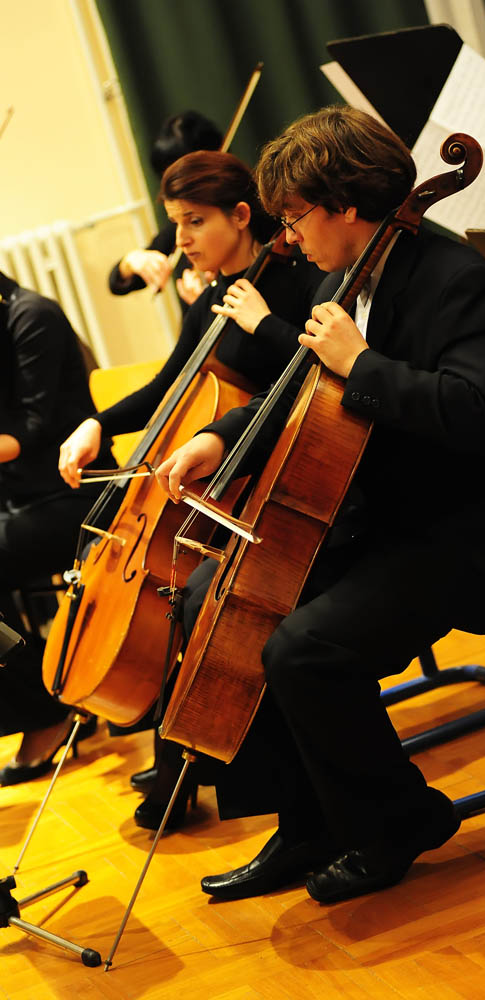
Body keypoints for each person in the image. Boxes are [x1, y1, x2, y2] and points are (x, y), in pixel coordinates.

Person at [153, 105, 485, 905]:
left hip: (464, 528)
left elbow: (481, 412)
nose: (287, 236)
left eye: (294, 216)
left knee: (303, 649)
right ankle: (310, 821)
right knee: (216, 600)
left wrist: (363, 364)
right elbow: (302, 398)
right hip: (383, 517)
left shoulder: (456, 279)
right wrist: (224, 435)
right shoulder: (341, 279)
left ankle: (399, 819)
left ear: (347, 206)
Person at [59, 148, 323, 827]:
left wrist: (262, 319)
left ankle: (204, 757)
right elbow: (170, 386)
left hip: (271, 477)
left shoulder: (291, 282)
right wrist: (96, 422)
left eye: (192, 222)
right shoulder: (209, 295)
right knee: (179, 587)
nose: (178, 242)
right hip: (214, 481)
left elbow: (303, 379)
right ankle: (183, 749)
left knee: (192, 593)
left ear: (242, 216)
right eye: (174, 223)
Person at [0, 271, 115, 785]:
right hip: (23, 498)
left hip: (76, 495)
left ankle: (49, 709)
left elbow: (34, 429)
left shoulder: (32, 316)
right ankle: (47, 698)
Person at [108, 110, 222, 305]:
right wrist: (132, 261)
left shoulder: (245, 216)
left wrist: (206, 305)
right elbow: (116, 282)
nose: (181, 239)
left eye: (181, 176)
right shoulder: (179, 231)